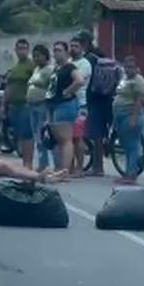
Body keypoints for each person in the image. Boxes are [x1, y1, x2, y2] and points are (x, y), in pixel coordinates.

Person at [76, 29, 115, 176]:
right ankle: (98, 163)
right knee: (98, 132)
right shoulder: (100, 54)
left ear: (85, 43)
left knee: (96, 133)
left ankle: (98, 167)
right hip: (105, 98)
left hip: (94, 99)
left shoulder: (89, 59)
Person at [45, 41, 83, 172]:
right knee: (59, 139)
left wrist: (67, 91)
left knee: (65, 139)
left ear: (66, 52)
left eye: (60, 50)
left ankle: (65, 169)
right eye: (55, 50)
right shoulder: (56, 68)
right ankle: (62, 167)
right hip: (54, 104)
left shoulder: (69, 67)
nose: (56, 53)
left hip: (65, 105)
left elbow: (79, 80)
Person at [0, 39, 35, 169]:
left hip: (25, 103)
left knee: (27, 135)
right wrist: (3, 105)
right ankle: (25, 162)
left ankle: (28, 163)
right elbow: (8, 87)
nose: (22, 51)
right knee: (19, 135)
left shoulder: (31, 66)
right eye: (19, 48)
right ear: (15, 50)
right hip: (12, 105)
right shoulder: (15, 67)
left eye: (25, 48)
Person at [113, 56, 144, 185]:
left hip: (131, 114)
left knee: (131, 146)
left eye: (131, 67)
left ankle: (131, 174)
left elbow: (139, 101)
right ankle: (136, 164)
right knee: (125, 144)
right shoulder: (125, 79)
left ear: (137, 68)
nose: (128, 70)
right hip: (120, 114)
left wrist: (133, 119)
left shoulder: (139, 81)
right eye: (126, 67)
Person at [26, 44, 57, 171]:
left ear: (45, 56)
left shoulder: (50, 70)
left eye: (38, 56)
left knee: (46, 135)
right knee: (37, 136)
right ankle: (42, 163)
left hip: (42, 106)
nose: (35, 59)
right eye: (34, 56)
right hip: (32, 106)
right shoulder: (36, 69)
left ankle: (56, 164)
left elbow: (52, 88)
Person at [69, 37, 92, 177]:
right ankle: (69, 166)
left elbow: (77, 81)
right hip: (68, 104)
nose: (72, 48)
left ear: (82, 48)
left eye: (75, 46)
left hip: (80, 104)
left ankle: (79, 168)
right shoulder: (70, 63)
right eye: (71, 46)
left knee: (78, 137)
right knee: (68, 137)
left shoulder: (85, 64)